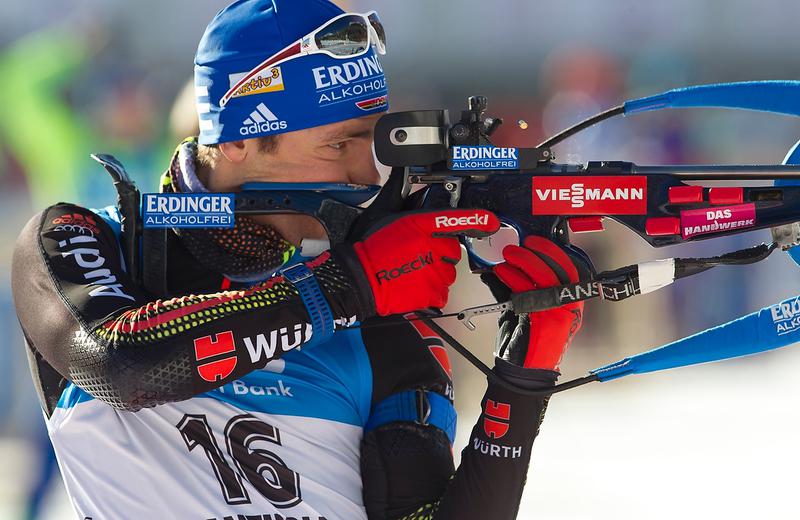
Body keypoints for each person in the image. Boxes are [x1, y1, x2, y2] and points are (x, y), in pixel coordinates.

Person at [11, 1, 589, 518]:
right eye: (339, 145)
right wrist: (346, 287)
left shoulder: (376, 311)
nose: (365, 176)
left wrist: (521, 383)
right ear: (236, 140)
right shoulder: (85, 239)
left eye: (373, 144)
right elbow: (121, 364)